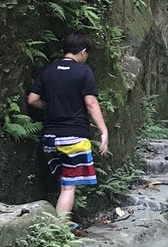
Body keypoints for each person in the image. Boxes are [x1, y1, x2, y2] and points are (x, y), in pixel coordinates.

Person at [27, 31, 109, 221]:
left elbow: (32, 99)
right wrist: (104, 131)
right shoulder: (84, 72)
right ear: (83, 52)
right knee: (68, 186)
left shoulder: (47, 70)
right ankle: (60, 229)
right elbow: (91, 103)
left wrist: (49, 106)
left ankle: (58, 223)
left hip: (50, 139)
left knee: (63, 181)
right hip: (74, 137)